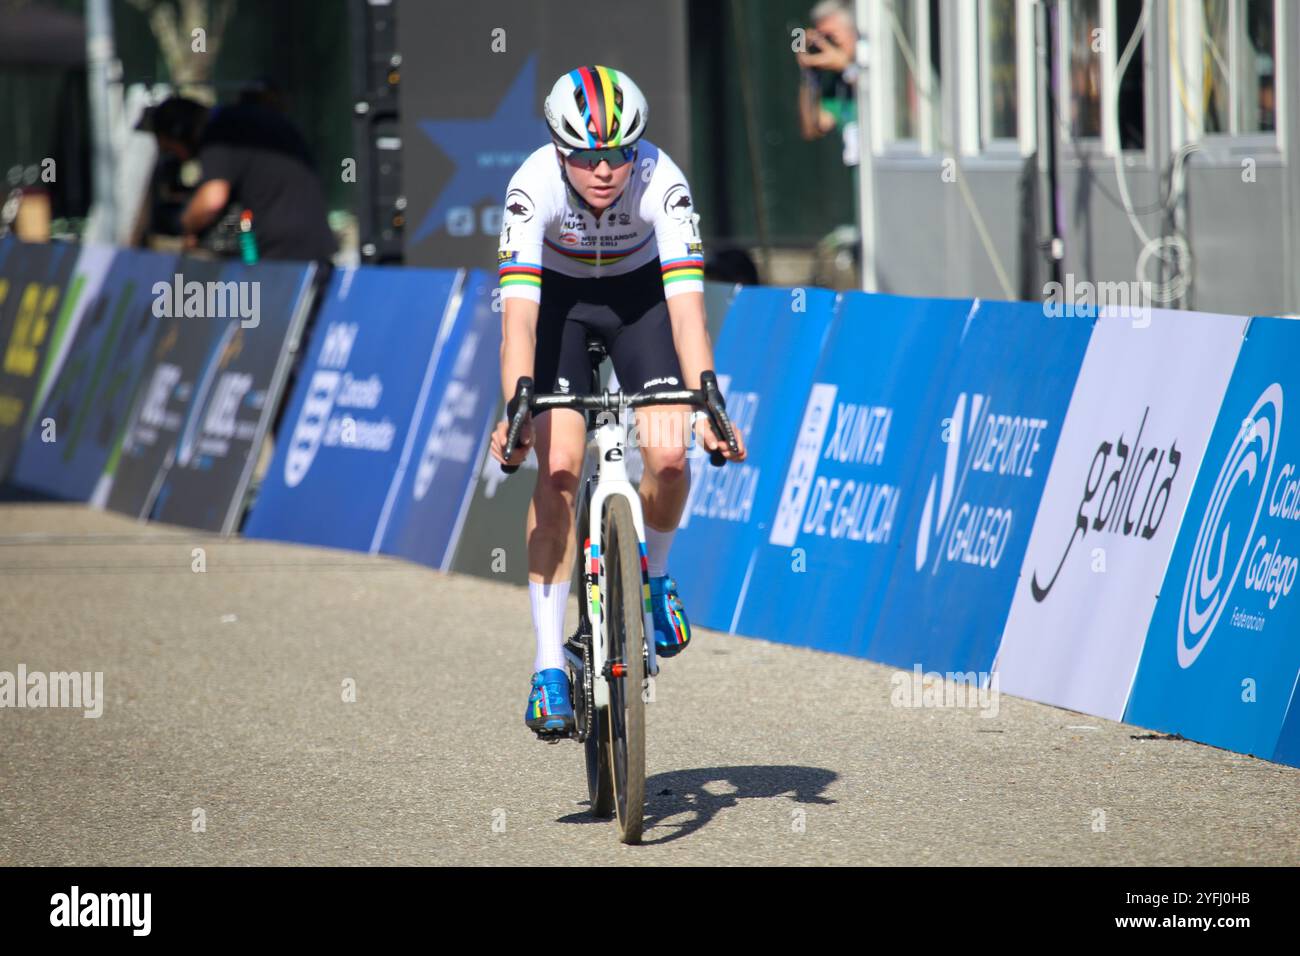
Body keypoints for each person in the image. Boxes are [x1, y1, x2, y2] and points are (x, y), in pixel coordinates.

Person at [487, 66, 748, 735]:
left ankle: (655, 577)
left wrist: (708, 401)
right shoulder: (531, 187)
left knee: (667, 454)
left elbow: (688, 316)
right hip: (561, 311)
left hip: (639, 306)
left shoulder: (664, 180)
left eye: (620, 154)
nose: (606, 170)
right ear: (558, 148)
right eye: (589, 157)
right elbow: (518, 321)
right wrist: (517, 407)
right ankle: (548, 662)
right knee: (559, 469)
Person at [137, 95, 336, 263]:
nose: (178, 157)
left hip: (281, 253)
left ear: (180, 132)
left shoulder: (222, 134)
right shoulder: (245, 120)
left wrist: (186, 222)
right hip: (313, 244)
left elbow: (212, 201)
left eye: (170, 148)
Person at [796, 0, 864, 167]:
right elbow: (812, 127)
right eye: (822, 38)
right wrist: (810, 75)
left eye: (831, 37)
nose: (826, 45)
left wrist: (847, 66)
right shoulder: (839, 84)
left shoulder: (881, 69)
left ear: (853, 31)